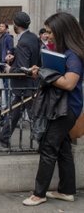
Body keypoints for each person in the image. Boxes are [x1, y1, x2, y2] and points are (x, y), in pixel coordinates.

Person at [22, 12, 84, 206]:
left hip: (66, 110)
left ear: (61, 31)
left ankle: (39, 194)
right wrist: (41, 73)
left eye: (50, 32)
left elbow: (68, 83)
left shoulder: (73, 55)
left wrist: (42, 72)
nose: (47, 36)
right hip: (62, 108)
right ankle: (66, 191)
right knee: (63, 148)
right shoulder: (66, 52)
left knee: (48, 146)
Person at [0, 12, 41, 148]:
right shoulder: (33, 37)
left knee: (34, 117)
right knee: (15, 112)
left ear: (16, 25)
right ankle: (3, 138)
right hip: (29, 86)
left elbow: (24, 68)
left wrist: (10, 70)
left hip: (26, 86)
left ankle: (45, 142)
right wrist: (13, 55)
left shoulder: (24, 42)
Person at [0, 22, 14, 111]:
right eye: (0, 26)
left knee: (6, 84)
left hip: (5, 63)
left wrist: (9, 56)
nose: (0, 28)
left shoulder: (8, 37)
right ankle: (0, 102)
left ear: (6, 28)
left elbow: (11, 49)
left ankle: (7, 105)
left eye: (2, 26)